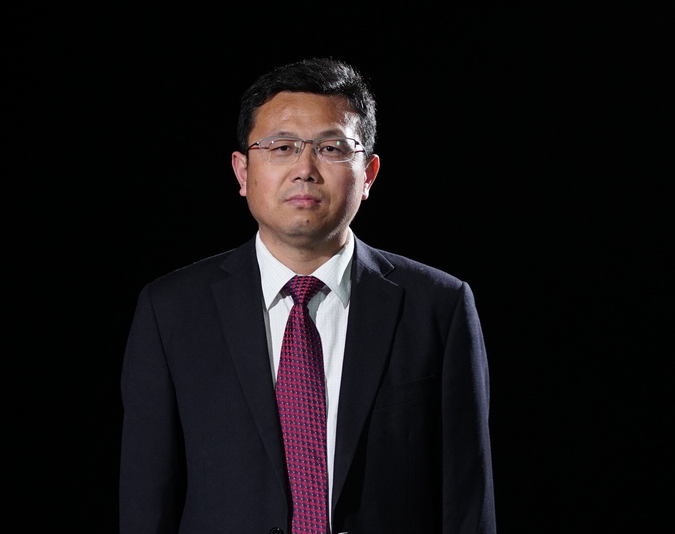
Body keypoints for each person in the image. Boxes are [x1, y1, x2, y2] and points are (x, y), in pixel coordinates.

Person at [119, 57, 496, 534]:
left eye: (331, 148)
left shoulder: (439, 307)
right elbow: (147, 500)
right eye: (281, 147)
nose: (304, 169)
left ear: (368, 174)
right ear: (242, 172)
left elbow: (467, 501)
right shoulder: (170, 311)